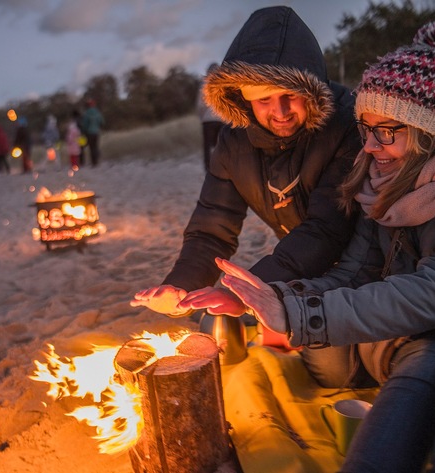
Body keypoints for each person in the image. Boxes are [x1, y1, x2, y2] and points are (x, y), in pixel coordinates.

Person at [184, 22, 435, 473]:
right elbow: (357, 268)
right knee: (423, 354)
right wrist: (276, 298)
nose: (369, 145)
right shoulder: (382, 180)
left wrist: (297, 315)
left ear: (429, 131)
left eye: (385, 132)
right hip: (425, 323)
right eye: (364, 128)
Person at [131, 6, 361, 324]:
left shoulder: (346, 125)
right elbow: (213, 229)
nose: (280, 112)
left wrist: (245, 292)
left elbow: (326, 229)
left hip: (357, 266)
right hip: (298, 263)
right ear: (243, 98)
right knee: (213, 320)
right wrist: (181, 286)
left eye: (290, 96)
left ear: (312, 90)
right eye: (264, 99)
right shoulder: (234, 143)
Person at [197, 62, 225, 171]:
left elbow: (200, 105)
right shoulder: (223, 84)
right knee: (222, 144)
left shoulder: (204, 85)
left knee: (207, 146)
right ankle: (223, 166)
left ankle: (208, 168)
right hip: (222, 119)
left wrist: (202, 117)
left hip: (208, 120)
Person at [79, 98, 104, 166]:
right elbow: (102, 122)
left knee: (87, 147)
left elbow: (85, 125)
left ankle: (83, 162)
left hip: (89, 133)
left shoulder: (86, 113)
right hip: (96, 132)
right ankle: (95, 162)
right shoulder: (97, 112)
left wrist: (83, 131)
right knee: (95, 146)